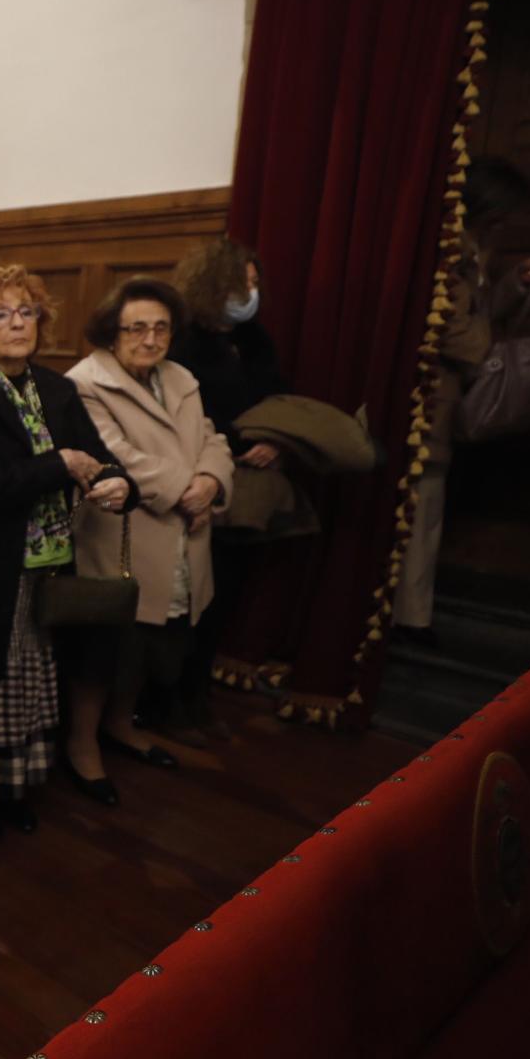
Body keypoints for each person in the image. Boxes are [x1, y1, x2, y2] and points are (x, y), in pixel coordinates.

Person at [0, 266, 135, 827]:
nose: (17, 323)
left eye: (26, 312)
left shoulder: (55, 388)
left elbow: (99, 455)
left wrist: (120, 483)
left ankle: (15, 785)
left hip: (52, 564)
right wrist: (60, 464)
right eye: (0, 313)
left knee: (35, 676)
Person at [66, 278, 235, 790]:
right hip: (122, 532)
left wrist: (210, 481)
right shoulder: (85, 381)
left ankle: (122, 726)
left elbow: (210, 438)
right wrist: (189, 488)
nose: (150, 338)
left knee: (149, 641)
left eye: (161, 327)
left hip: (181, 529)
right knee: (105, 647)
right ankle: (82, 742)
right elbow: (113, 453)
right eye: (136, 327)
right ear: (111, 332)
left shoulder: (180, 376)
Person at [396, 158, 530, 645]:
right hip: (429, 399)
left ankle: (413, 614)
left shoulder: (476, 251)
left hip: (446, 399)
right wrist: (486, 352)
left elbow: (477, 317)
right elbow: (455, 333)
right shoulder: (452, 252)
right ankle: (409, 619)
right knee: (422, 509)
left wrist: (510, 287)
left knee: (429, 510)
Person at [169, 238, 288, 735]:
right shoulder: (184, 341)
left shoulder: (255, 337)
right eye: (244, 282)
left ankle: (197, 695)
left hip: (250, 483)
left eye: (256, 283)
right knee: (191, 598)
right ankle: (173, 701)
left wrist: (274, 440)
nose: (252, 292)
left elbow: (278, 396)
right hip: (197, 475)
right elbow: (189, 411)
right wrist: (237, 442)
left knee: (224, 596)